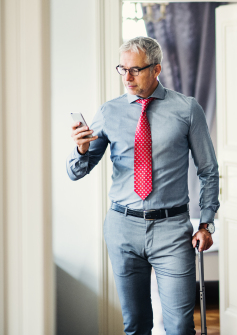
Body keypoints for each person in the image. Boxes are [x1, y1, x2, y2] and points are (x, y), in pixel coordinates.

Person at [67, 36, 219, 335]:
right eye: (122, 69)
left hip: (172, 230)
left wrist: (207, 223)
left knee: (179, 326)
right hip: (122, 227)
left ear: (156, 69)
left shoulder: (187, 109)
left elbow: (209, 170)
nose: (127, 77)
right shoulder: (109, 112)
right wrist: (81, 149)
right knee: (135, 325)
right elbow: (76, 172)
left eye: (135, 70)